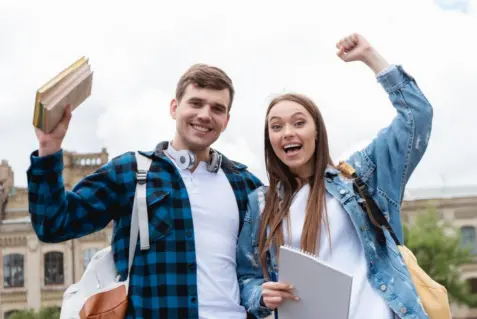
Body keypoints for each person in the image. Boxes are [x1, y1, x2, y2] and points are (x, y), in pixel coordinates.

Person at [27, 64, 263, 318]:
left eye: (217, 108)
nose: (205, 115)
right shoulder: (130, 172)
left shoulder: (245, 185)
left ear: (226, 121)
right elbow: (54, 223)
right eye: (195, 103)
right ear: (174, 108)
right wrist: (49, 149)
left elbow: (265, 268)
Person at [237, 33, 433, 319]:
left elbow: (418, 116)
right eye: (276, 127)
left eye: (299, 122)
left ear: (317, 132)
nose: (288, 132)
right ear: (270, 140)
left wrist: (370, 57)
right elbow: (246, 278)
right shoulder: (260, 203)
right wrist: (261, 295)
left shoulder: (359, 177)